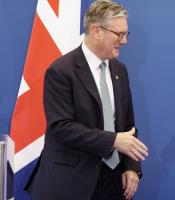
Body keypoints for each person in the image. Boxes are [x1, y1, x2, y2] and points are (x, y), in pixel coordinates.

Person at [25, 1, 148, 200]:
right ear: (96, 30)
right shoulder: (61, 71)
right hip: (74, 183)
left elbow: (128, 125)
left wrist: (132, 167)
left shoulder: (120, 70)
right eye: (119, 34)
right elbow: (61, 127)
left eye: (126, 34)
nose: (124, 41)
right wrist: (113, 140)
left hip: (114, 183)